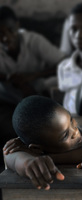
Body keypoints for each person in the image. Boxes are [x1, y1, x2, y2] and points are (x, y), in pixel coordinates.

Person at [3, 95, 82, 190]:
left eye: (71, 120)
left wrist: (52, 157)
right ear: (36, 149)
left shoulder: (80, 139)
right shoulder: (24, 149)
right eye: (65, 135)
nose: (75, 132)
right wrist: (27, 162)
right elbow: (13, 157)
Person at [0, 5, 66, 165]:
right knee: (9, 137)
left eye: (10, 30)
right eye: (0, 34)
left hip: (37, 95)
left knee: (45, 129)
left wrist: (33, 76)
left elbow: (64, 63)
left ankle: (44, 160)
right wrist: (11, 79)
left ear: (17, 25)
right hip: (6, 100)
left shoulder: (34, 41)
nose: (6, 38)